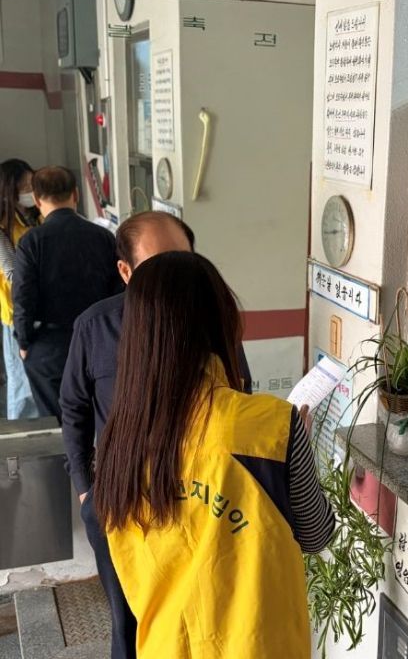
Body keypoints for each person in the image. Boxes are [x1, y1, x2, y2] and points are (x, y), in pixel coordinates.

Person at [92, 252, 334, 659]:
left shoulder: (119, 439)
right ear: (220, 321)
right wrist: (298, 449)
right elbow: (316, 534)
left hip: (165, 647)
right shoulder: (272, 427)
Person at [60, 211, 253, 659]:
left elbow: (240, 390)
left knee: (205, 619)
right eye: (157, 266)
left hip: (203, 502)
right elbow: (73, 409)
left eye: (184, 260)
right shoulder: (96, 327)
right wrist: (86, 490)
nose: (175, 278)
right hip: (122, 502)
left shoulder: (214, 324)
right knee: (130, 624)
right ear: (125, 271)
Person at [12, 166, 122, 420]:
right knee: (102, 415)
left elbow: (23, 297)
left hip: (49, 347)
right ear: (76, 194)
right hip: (98, 340)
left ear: (37, 200)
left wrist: (24, 341)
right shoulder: (103, 237)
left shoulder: (31, 241)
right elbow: (118, 291)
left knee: (58, 421)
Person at [0, 159, 40, 419]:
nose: (30, 191)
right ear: (9, 190)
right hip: (16, 313)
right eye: (25, 186)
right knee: (21, 384)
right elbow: (13, 273)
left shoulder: (31, 217)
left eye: (32, 183)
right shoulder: (2, 229)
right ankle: (21, 434)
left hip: (36, 309)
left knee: (33, 380)